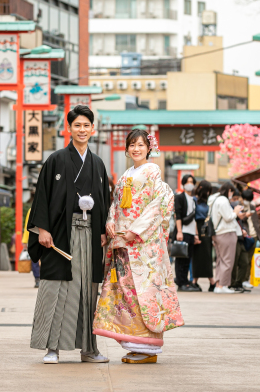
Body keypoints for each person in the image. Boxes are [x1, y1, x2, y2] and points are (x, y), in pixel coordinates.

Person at [26, 105, 111, 364]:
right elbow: (42, 196)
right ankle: (52, 348)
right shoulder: (56, 160)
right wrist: (42, 229)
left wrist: (103, 230)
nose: (82, 130)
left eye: (86, 125)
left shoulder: (98, 164)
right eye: (77, 125)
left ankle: (89, 349)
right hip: (60, 234)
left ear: (93, 129)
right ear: (69, 128)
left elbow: (104, 201)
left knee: (87, 290)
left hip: (90, 235)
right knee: (56, 288)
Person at [94, 129, 183, 364]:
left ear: (148, 148)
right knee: (127, 293)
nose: (136, 149)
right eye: (132, 145)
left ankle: (148, 347)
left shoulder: (152, 171)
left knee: (144, 293)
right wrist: (110, 221)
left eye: (141, 145)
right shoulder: (126, 174)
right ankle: (135, 345)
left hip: (142, 244)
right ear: (127, 148)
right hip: (123, 241)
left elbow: (159, 203)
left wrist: (136, 230)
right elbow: (116, 203)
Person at [209, 182, 243, 294]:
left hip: (218, 233)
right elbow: (228, 217)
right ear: (229, 191)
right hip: (226, 232)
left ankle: (218, 285)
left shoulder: (215, 200)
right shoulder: (223, 200)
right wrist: (236, 212)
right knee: (228, 260)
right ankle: (222, 285)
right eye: (231, 192)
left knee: (220, 260)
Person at [174, 174, 200, 291]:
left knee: (188, 258)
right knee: (181, 258)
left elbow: (194, 219)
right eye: (187, 182)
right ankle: (181, 283)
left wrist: (196, 234)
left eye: (191, 182)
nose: (190, 184)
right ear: (183, 184)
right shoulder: (180, 197)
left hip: (191, 232)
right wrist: (179, 232)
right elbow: (178, 215)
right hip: (183, 232)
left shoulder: (194, 199)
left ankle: (185, 281)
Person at [231, 188, 259, 291]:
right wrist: (245, 216)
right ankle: (235, 283)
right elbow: (236, 219)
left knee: (247, 260)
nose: (247, 201)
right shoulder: (236, 206)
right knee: (238, 260)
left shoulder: (252, 206)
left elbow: (254, 221)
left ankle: (242, 281)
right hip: (240, 236)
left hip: (251, 235)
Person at [191, 180, 216, 291]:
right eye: (207, 190)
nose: (208, 193)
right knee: (197, 256)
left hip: (207, 229)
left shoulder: (209, 201)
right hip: (198, 228)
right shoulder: (194, 200)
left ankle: (209, 281)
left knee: (207, 256)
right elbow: (193, 218)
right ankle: (196, 281)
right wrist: (196, 233)